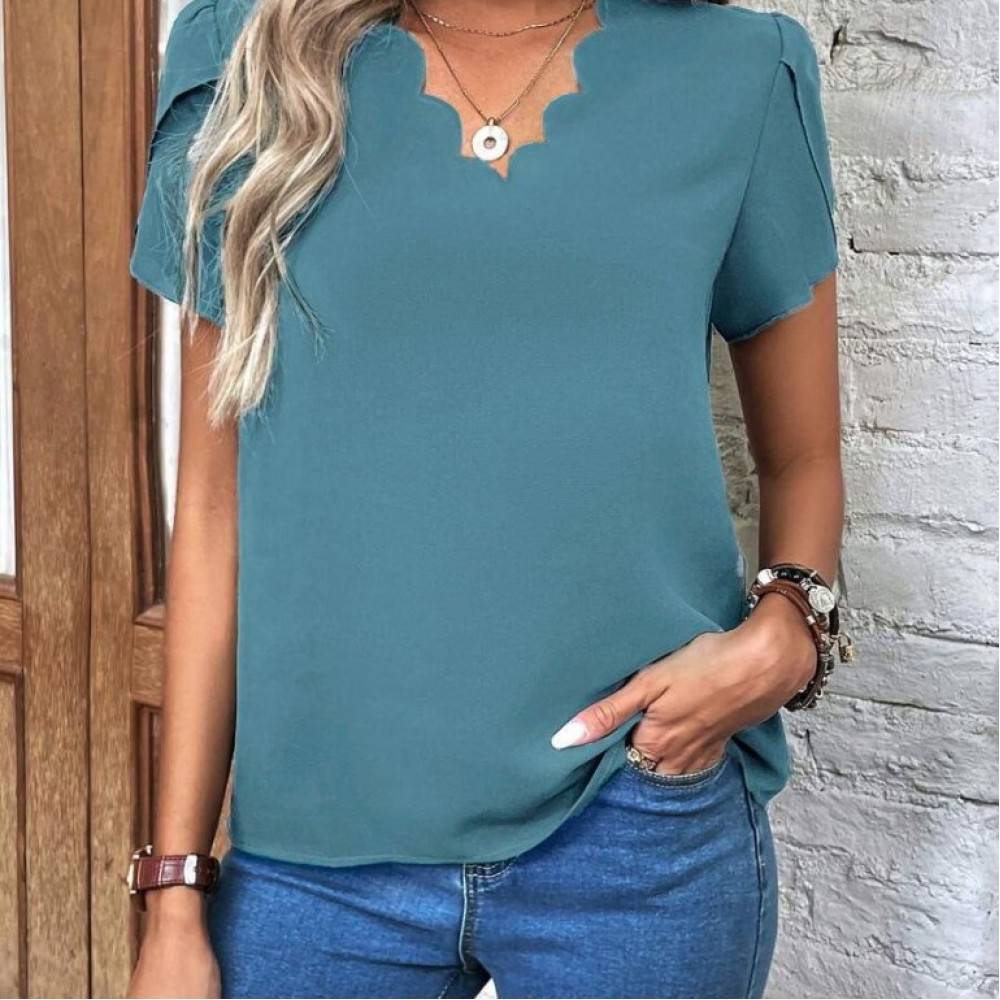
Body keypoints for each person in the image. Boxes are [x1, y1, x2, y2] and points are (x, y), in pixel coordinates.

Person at [125, 0, 846, 996]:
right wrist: (173, 894)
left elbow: (803, 458)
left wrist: (790, 632)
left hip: (637, 822)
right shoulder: (246, 52)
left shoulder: (738, 71)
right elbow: (212, 510)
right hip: (315, 856)